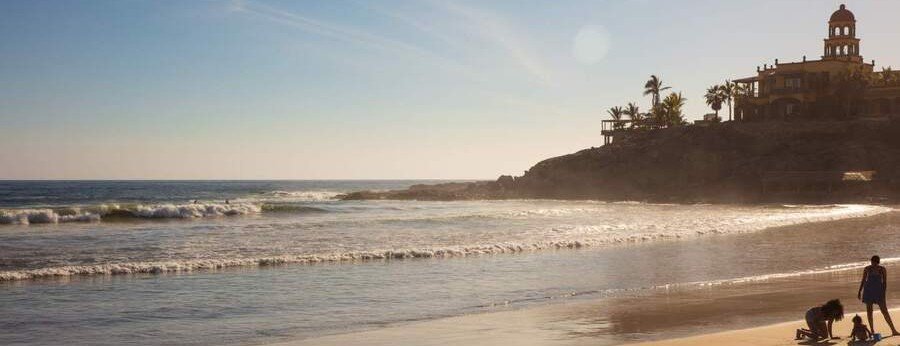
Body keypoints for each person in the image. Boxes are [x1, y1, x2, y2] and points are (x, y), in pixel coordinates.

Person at [858, 255, 900, 336]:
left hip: (878, 291)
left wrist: (883, 293)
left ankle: (893, 330)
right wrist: (859, 291)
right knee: (869, 311)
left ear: (877, 262)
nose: (873, 264)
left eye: (874, 262)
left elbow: (885, 282)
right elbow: (863, 280)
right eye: (872, 262)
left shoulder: (882, 269)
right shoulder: (867, 268)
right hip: (868, 291)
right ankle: (872, 331)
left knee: (884, 311)